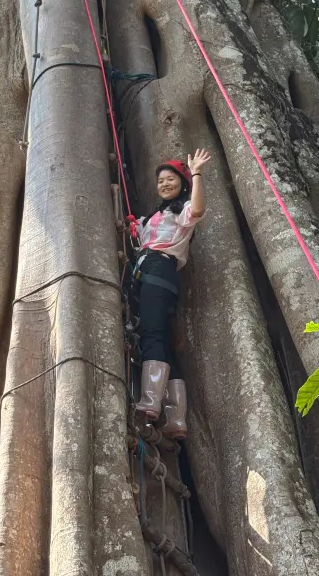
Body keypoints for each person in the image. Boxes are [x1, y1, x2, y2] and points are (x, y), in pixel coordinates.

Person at [134, 149, 210, 439]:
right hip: (153, 271)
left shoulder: (182, 211)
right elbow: (139, 234)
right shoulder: (157, 215)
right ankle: (176, 418)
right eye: (161, 180)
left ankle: (151, 403)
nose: (165, 184)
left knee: (151, 334)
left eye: (171, 179)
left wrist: (198, 173)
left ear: (182, 183)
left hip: (159, 270)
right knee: (162, 338)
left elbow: (198, 210)